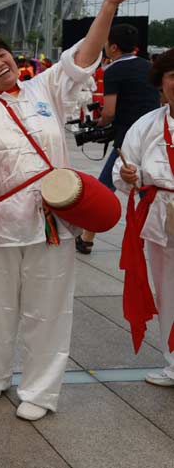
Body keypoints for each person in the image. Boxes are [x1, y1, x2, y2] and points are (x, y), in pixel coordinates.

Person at [0, 0, 139, 421]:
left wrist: (107, 7)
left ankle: (39, 392)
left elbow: (84, 55)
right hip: (1, 222)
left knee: (48, 311)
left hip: (50, 221)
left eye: (1, 54)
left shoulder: (45, 87)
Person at [113, 48, 174, 388]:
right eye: (173, 76)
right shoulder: (147, 125)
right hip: (160, 215)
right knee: (167, 290)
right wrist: (128, 174)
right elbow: (124, 172)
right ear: (161, 82)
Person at [78, 24, 159, 255]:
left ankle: (87, 239)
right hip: (153, 136)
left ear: (113, 47)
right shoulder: (148, 66)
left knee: (104, 188)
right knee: (146, 189)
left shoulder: (114, 70)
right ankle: (159, 234)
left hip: (127, 141)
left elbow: (109, 112)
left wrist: (99, 124)